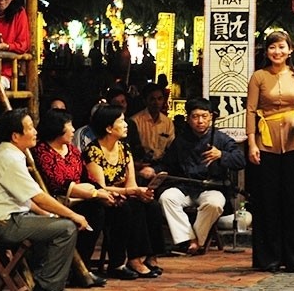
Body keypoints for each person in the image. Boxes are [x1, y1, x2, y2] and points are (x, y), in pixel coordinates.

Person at [0, 108, 89, 291]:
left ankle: (42, 277)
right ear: (15, 136)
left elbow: (26, 198)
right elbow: (39, 197)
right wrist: (72, 215)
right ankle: (47, 287)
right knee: (67, 228)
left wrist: (47, 215)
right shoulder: (8, 158)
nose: (35, 131)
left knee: (56, 222)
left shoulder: (11, 154)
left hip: (14, 217)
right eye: (29, 128)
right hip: (3, 223)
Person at [246, 31, 294, 273]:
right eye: (272, 48)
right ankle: (269, 258)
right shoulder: (259, 77)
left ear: (290, 50)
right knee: (267, 200)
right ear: (266, 51)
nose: (277, 52)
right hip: (266, 141)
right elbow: (251, 111)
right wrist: (252, 143)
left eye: (282, 47)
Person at [83, 105, 165, 279]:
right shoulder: (93, 151)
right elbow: (101, 187)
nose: (126, 124)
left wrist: (140, 192)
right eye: (121, 121)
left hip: (125, 194)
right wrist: (131, 191)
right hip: (104, 198)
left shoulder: (124, 148)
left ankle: (150, 256)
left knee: (152, 206)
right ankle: (123, 262)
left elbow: (132, 182)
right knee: (129, 208)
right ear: (108, 128)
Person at [157, 98, 245, 254]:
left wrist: (221, 155)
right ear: (188, 119)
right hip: (186, 187)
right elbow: (167, 164)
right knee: (167, 198)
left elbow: (240, 160)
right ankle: (190, 240)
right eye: (195, 117)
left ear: (211, 117)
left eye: (204, 116)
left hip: (212, 187)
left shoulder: (221, 139)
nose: (200, 121)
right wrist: (154, 170)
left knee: (214, 203)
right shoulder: (181, 140)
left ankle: (194, 240)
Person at [32, 108, 110, 287]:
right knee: (94, 211)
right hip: (58, 200)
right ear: (57, 128)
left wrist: (101, 191)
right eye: (69, 126)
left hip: (83, 196)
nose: (73, 130)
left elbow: (86, 176)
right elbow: (57, 183)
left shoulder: (73, 150)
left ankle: (87, 266)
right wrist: (93, 193)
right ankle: (78, 269)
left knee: (110, 208)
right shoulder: (42, 151)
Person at [131, 83, 175, 176]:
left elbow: (171, 147)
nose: (157, 103)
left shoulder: (167, 122)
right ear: (145, 101)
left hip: (160, 166)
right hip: (139, 166)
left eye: (160, 99)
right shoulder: (135, 121)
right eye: (152, 99)